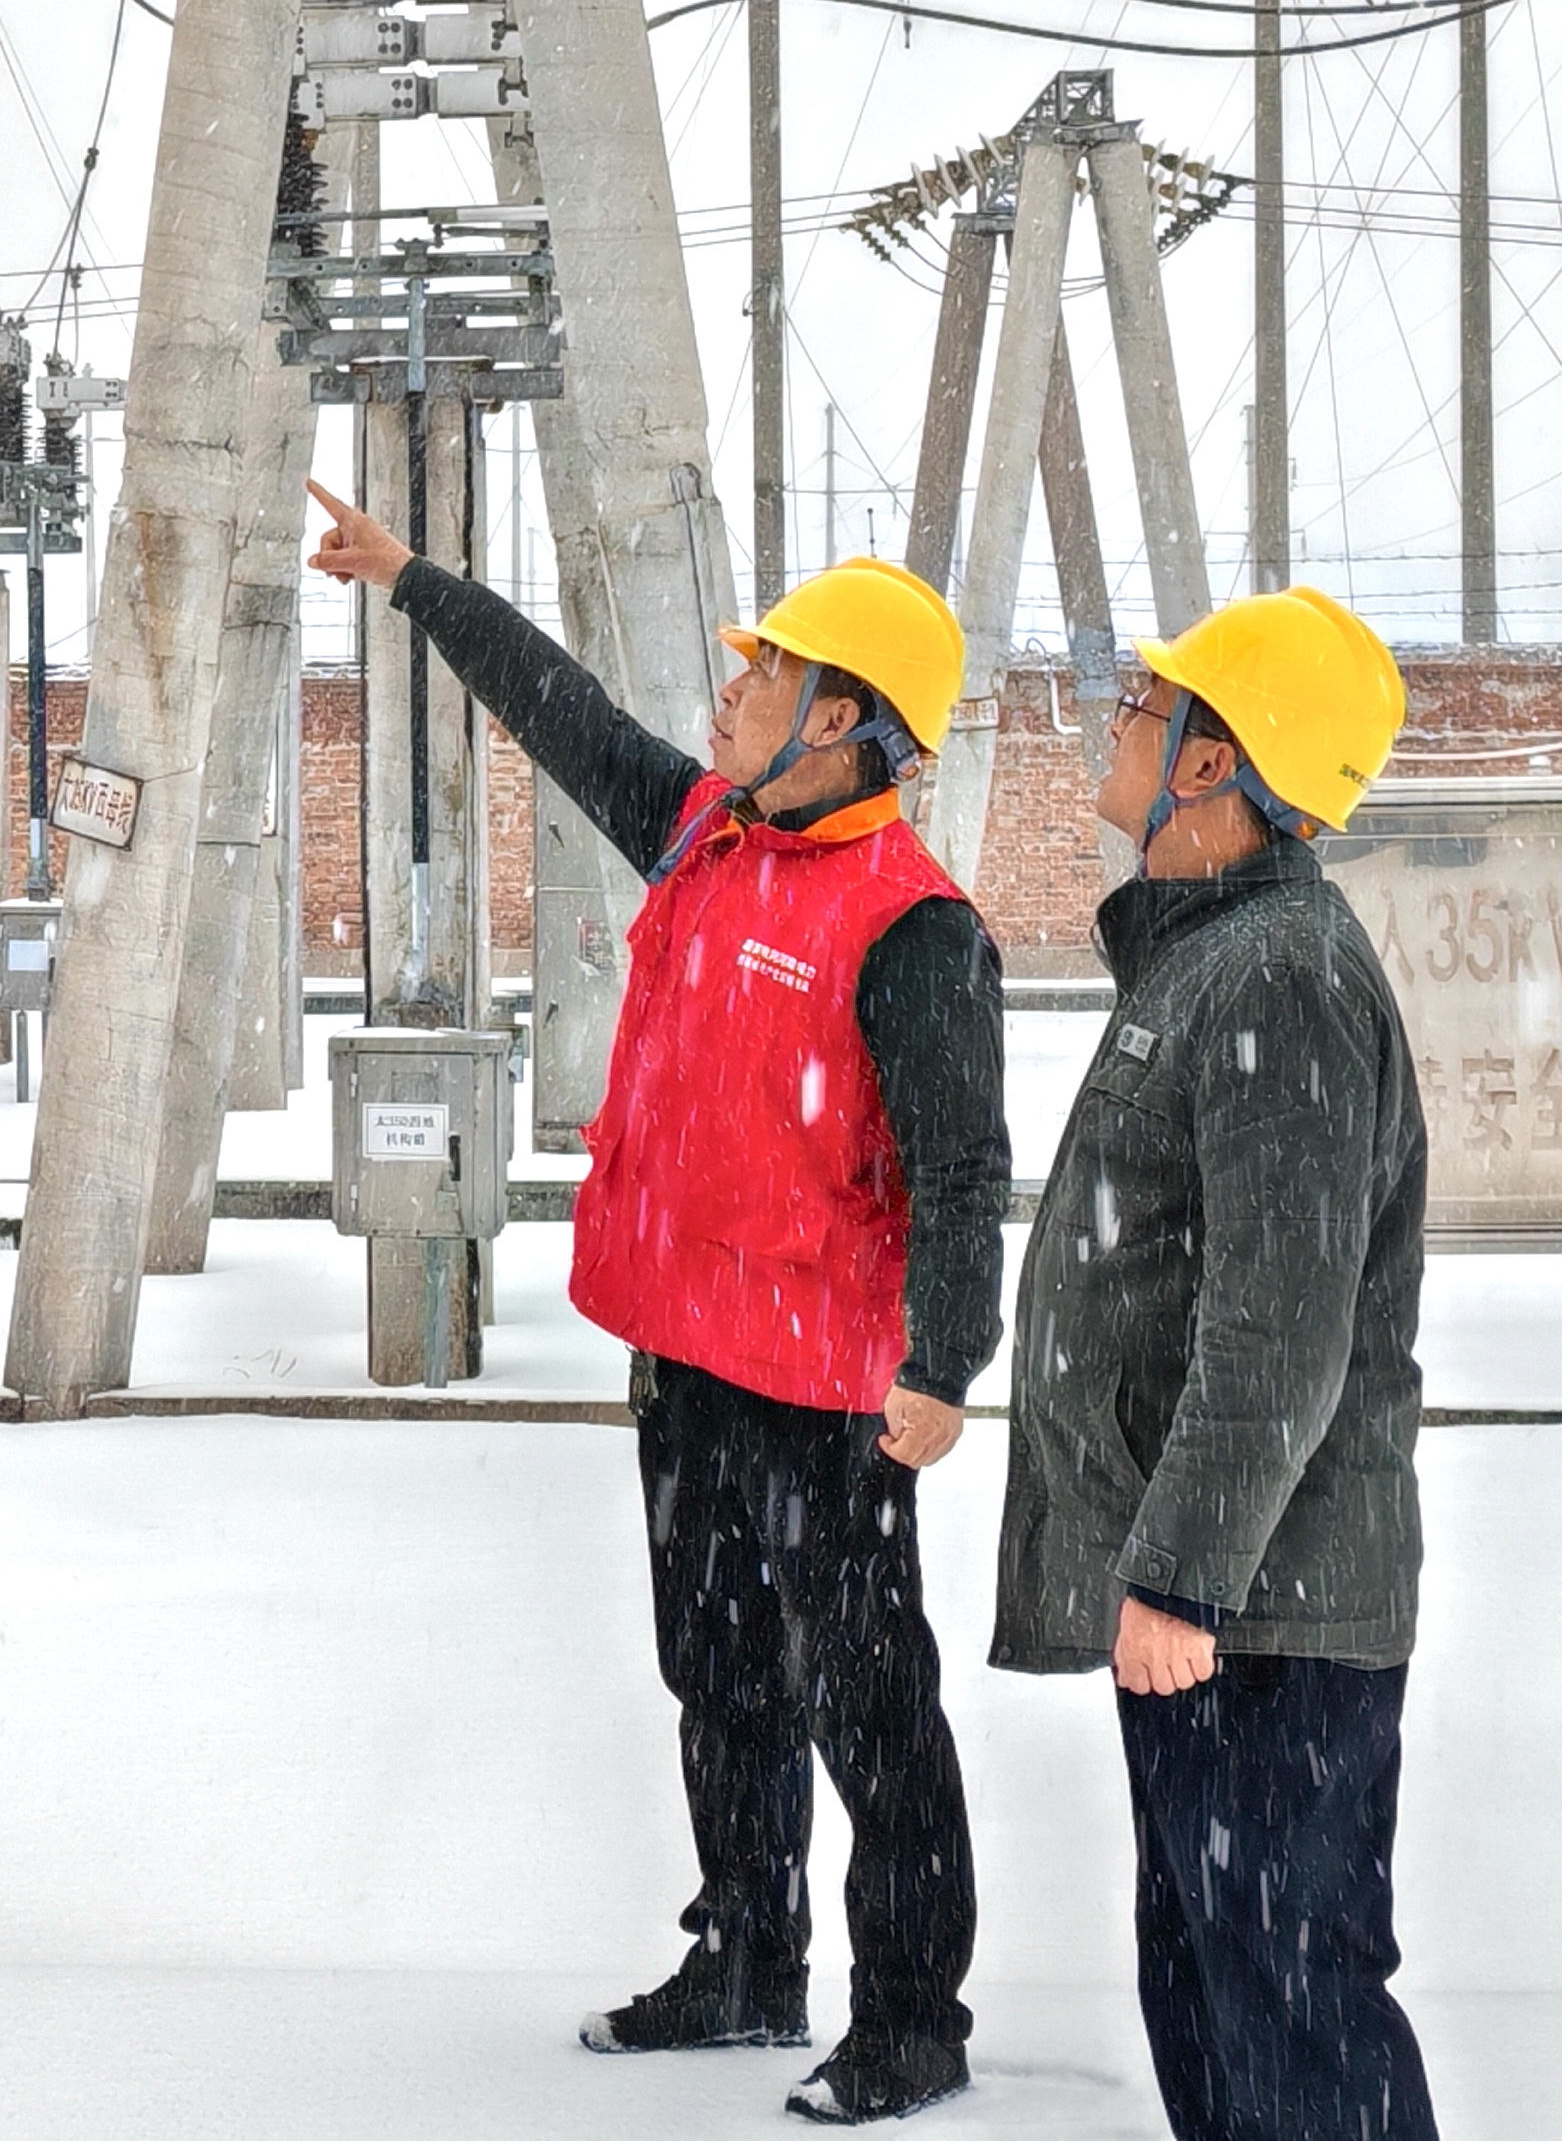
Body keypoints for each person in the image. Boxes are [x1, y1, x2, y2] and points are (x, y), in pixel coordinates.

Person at [308, 484, 1006, 2128]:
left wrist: (945, 1361)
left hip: (826, 1395)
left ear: (837, 719)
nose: (732, 689)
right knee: (721, 1673)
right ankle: (749, 1957)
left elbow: (966, 1170)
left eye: (766, 673)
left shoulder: (912, 926)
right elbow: (563, 712)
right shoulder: (705, 827)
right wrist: (414, 580)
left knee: (871, 1710)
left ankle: (913, 2016)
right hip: (685, 1355)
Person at [991, 587, 1436, 2141]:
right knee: (1217, 1990)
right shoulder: (1212, 957)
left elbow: (1277, 1324)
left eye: (1146, 698)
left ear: (1209, 761)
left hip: (1263, 1613)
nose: (1117, 715)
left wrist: (1182, 1578)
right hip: (1224, 1606)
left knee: (1290, 2012)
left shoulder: (1277, 979)